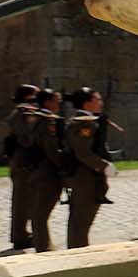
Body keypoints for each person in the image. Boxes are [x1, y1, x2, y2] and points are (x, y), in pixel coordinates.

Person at [62, 87, 111, 249]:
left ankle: (78, 250)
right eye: (97, 99)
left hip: (87, 176)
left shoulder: (87, 120)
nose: (101, 103)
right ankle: (78, 255)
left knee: (81, 220)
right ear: (87, 103)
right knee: (81, 221)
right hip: (85, 177)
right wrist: (104, 166)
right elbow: (83, 152)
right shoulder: (84, 122)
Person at [24, 89, 67, 252]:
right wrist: (63, 166)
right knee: (41, 213)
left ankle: (42, 244)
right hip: (47, 172)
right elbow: (51, 148)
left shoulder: (35, 118)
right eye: (56, 100)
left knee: (39, 211)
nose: (59, 104)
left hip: (37, 170)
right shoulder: (49, 121)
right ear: (48, 102)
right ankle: (44, 248)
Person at [5, 84, 40, 249]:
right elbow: (26, 138)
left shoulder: (25, 111)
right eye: (35, 96)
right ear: (28, 97)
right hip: (23, 162)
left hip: (24, 162)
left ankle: (23, 234)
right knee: (22, 201)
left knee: (27, 200)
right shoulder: (23, 112)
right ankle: (19, 236)